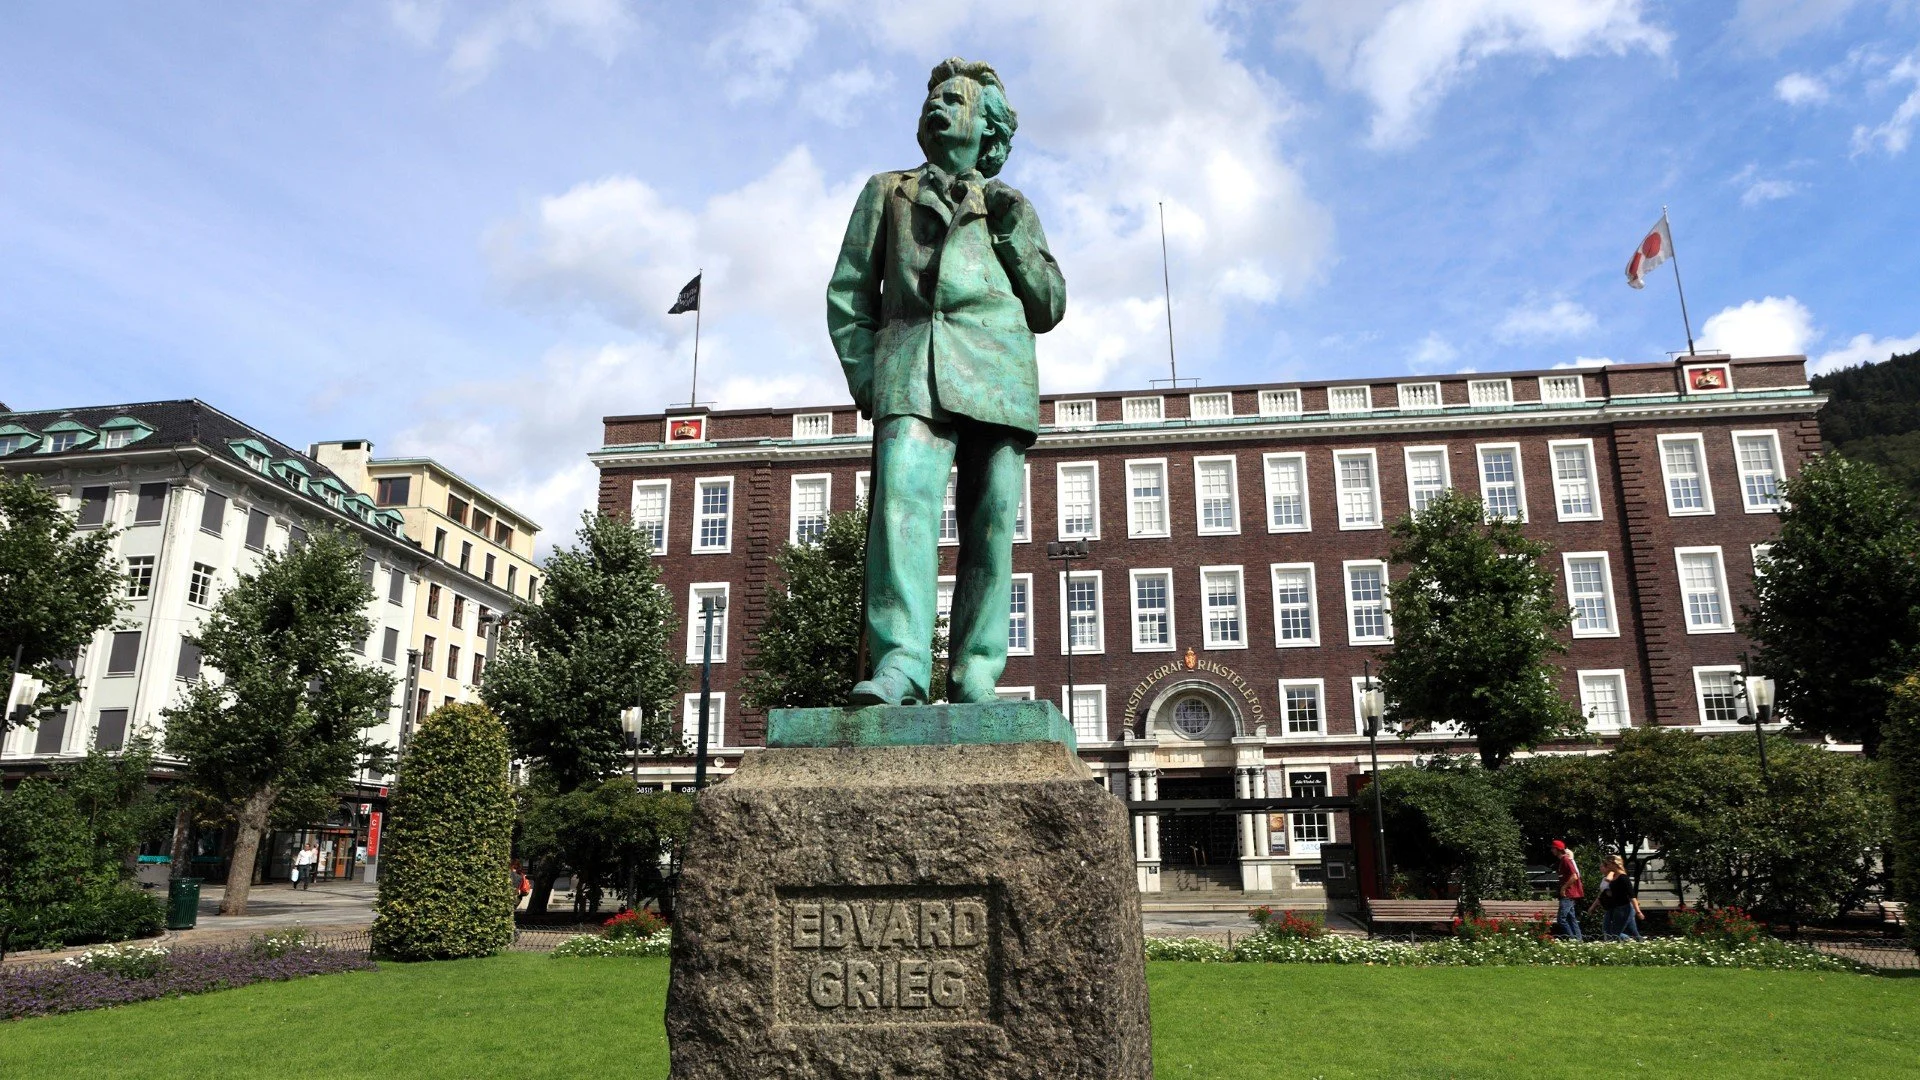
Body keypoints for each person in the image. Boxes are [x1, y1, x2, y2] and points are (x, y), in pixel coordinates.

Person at [826, 56, 1067, 707]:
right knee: (900, 506)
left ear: (988, 129)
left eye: (955, 99)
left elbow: (1048, 305)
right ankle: (901, 662)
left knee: (990, 525)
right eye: (933, 96)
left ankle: (976, 671)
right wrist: (870, 379)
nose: (937, 105)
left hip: (998, 378)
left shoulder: (1014, 207)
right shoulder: (889, 191)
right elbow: (849, 297)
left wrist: (1014, 233)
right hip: (911, 369)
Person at [1589, 854, 1645, 941]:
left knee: (1614, 933)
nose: (1606, 866)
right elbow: (1606, 889)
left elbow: (1632, 895)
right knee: (1631, 932)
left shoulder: (1623, 877)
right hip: (1614, 907)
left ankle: (1624, 945)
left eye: (1607, 864)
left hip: (1623, 908)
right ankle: (1638, 942)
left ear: (1614, 864)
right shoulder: (1613, 876)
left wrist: (1638, 911)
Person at [1551, 839, 1584, 940]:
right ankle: (1579, 941)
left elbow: (1575, 876)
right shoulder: (1563, 861)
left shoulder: (1565, 860)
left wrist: (1563, 888)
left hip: (1568, 894)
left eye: (1553, 848)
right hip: (1569, 894)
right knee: (1571, 919)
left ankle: (1573, 940)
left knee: (1561, 919)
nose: (1552, 850)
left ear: (1557, 849)